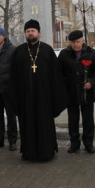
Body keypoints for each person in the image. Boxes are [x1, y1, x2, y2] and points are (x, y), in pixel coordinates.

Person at [10, 19, 68, 161]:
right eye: (28, 31)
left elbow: (56, 76)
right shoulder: (19, 52)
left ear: (39, 33)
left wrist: (56, 97)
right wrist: (14, 98)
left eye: (33, 31)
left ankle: (46, 152)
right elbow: (13, 77)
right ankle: (28, 153)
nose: (30, 33)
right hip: (26, 97)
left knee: (44, 124)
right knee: (27, 124)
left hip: (44, 97)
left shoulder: (47, 51)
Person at [58, 30, 95, 154]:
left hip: (86, 92)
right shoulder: (64, 54)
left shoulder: (91, 53)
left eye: (78, 41)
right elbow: (59, 72)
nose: (76, 44)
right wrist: (64, 84)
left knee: (88, 120)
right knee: (73, 120)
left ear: (82, 40)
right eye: (73, 42)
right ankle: (74, 143)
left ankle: (88, 143)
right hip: (71, 92)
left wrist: (92, 82)